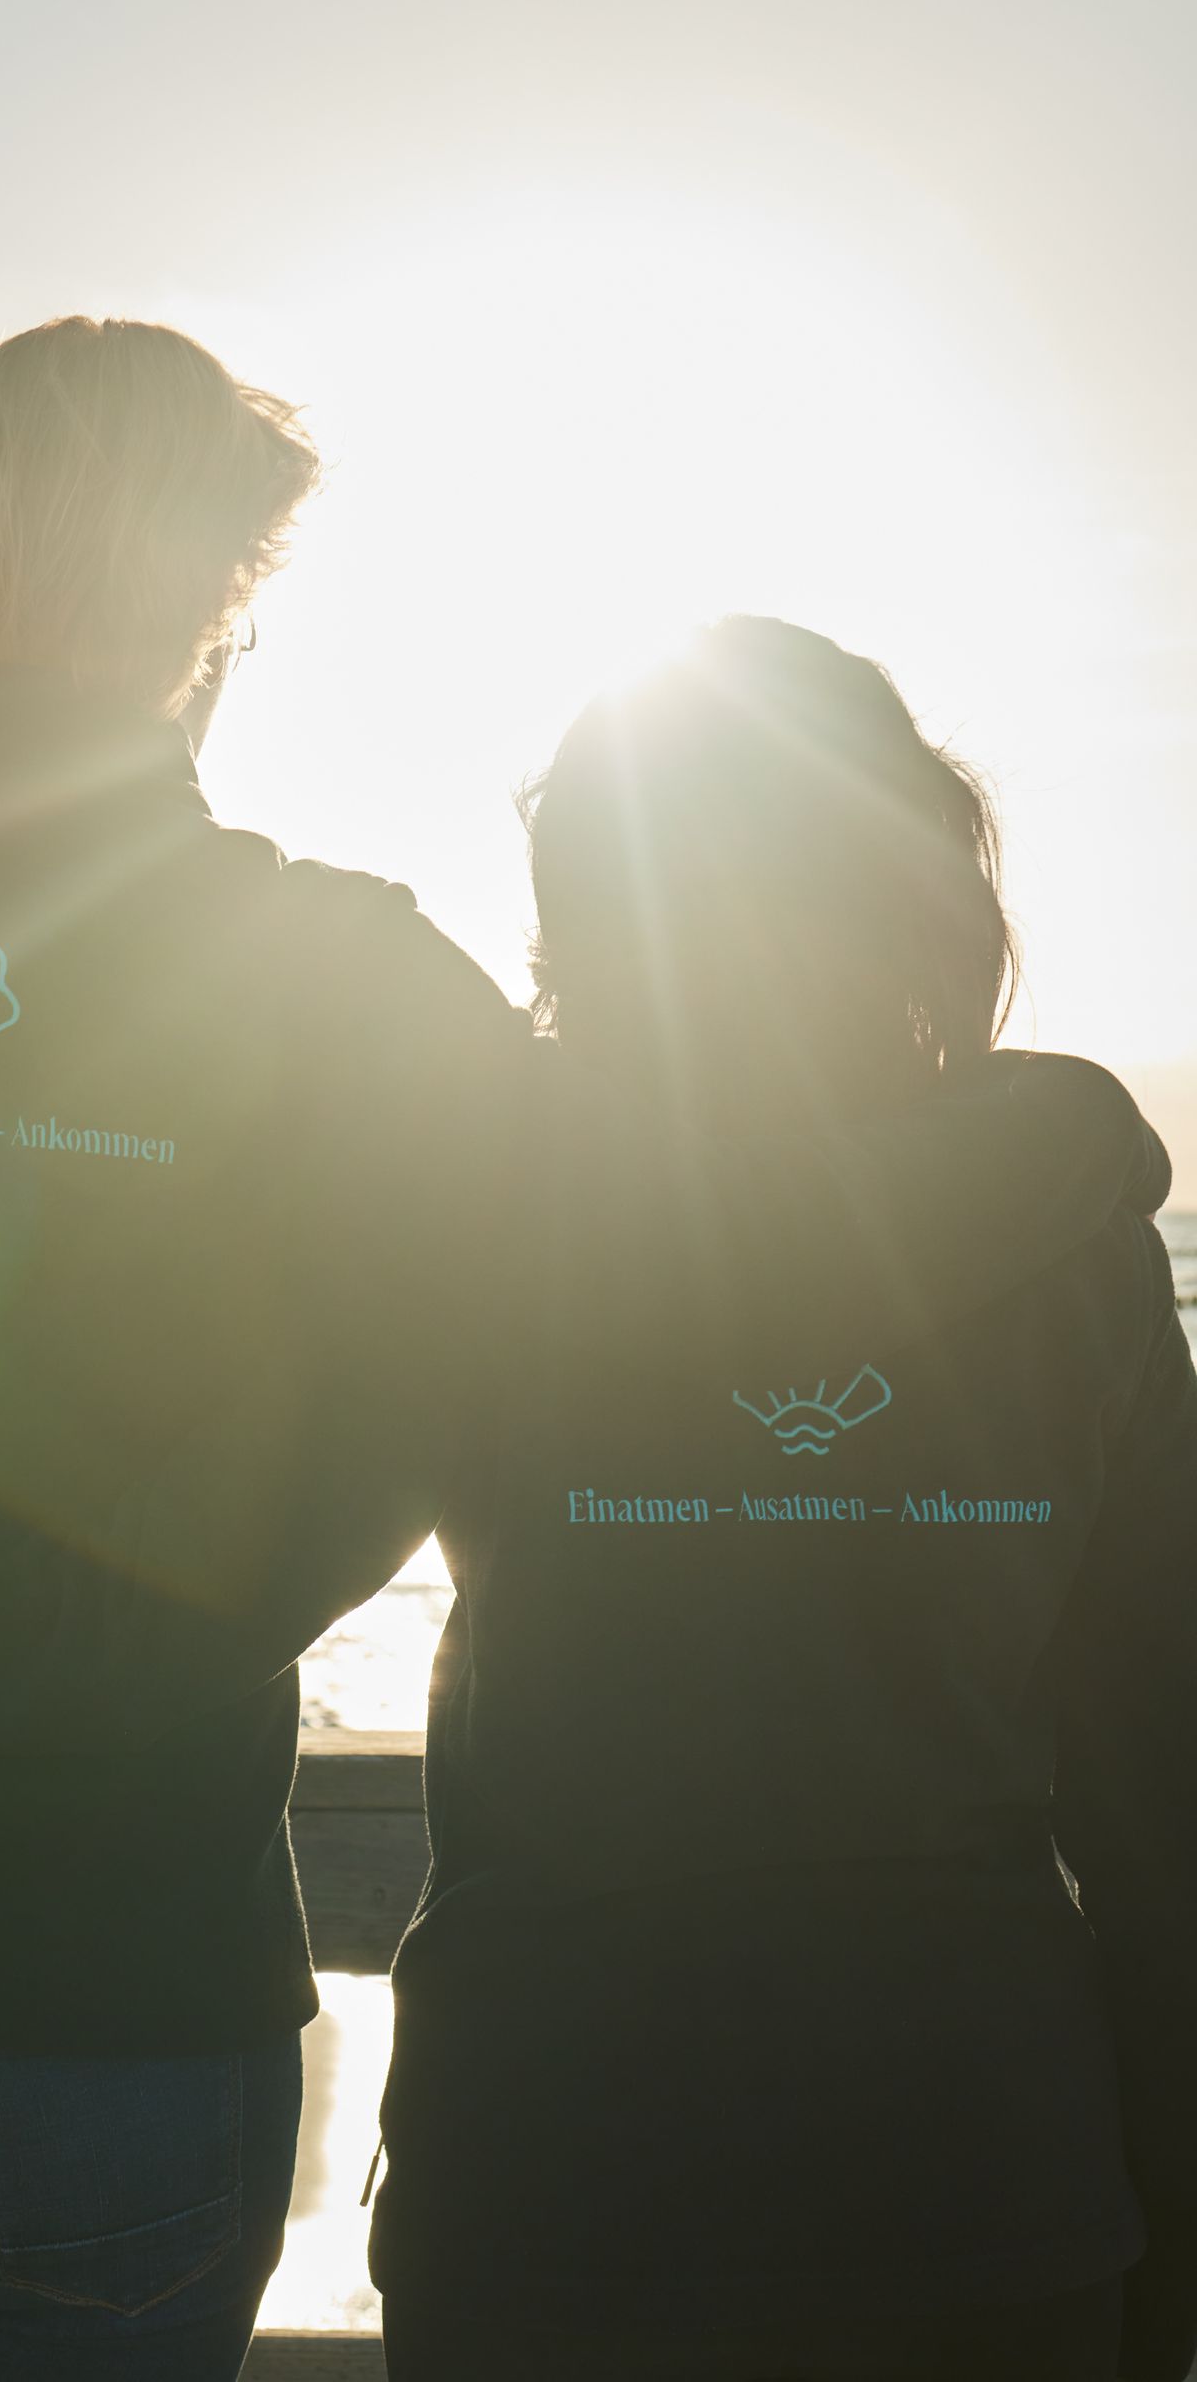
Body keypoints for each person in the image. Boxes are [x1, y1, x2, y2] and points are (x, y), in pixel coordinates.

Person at [0, 324, 1159, 2382]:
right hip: (98, 2007)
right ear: (225, 604)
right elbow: (687, 1233)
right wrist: (1053, 1145)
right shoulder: (341, 982)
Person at [367, 619, 1197, 2382]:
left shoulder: (463, 1216)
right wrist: (1167, 2254)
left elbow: (248, 1565)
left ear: (584, 902)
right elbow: (1165, 1803)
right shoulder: (1084, 1260)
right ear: (916, 891)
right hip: (983, 2187)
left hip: (547, 2175)